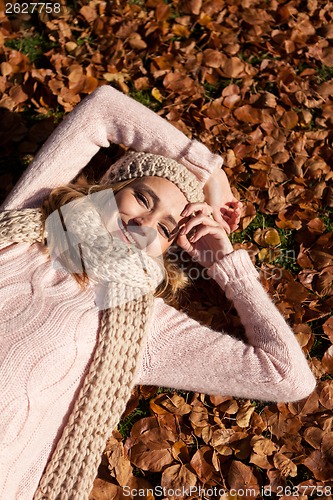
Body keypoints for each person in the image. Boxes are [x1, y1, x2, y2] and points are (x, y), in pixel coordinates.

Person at [0, 85, 316, 500]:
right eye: (142, 197)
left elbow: (287, 377)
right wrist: (210, 171)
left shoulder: (139, 327)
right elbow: (102, 110)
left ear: (170, 248)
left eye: (167, 227)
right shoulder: (27, 223)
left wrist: (225, 263)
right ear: (106, 191)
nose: (146, 222)